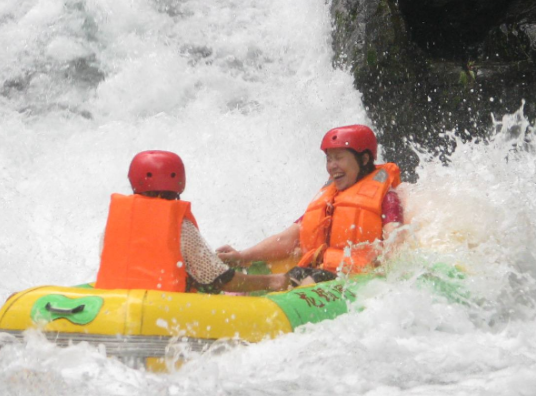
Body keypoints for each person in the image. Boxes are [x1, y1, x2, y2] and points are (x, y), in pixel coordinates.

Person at [216, 125, 404, 282]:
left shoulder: (386, 197)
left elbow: (394, 242)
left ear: (363, 159)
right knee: (298, 275)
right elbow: (289, 238)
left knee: (309, 279)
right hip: (316, 272)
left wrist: (386, 277)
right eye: (329, 159)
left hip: (353, 277)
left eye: (339, 158)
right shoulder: (328, 198)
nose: (332, 166)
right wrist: (242, 256)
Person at [95, 150, 289, 293]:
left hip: (115, 305)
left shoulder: (113, 227)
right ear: (179, 182)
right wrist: (271, 281)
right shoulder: (181, 228)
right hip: (164, 310)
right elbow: (220, 279)